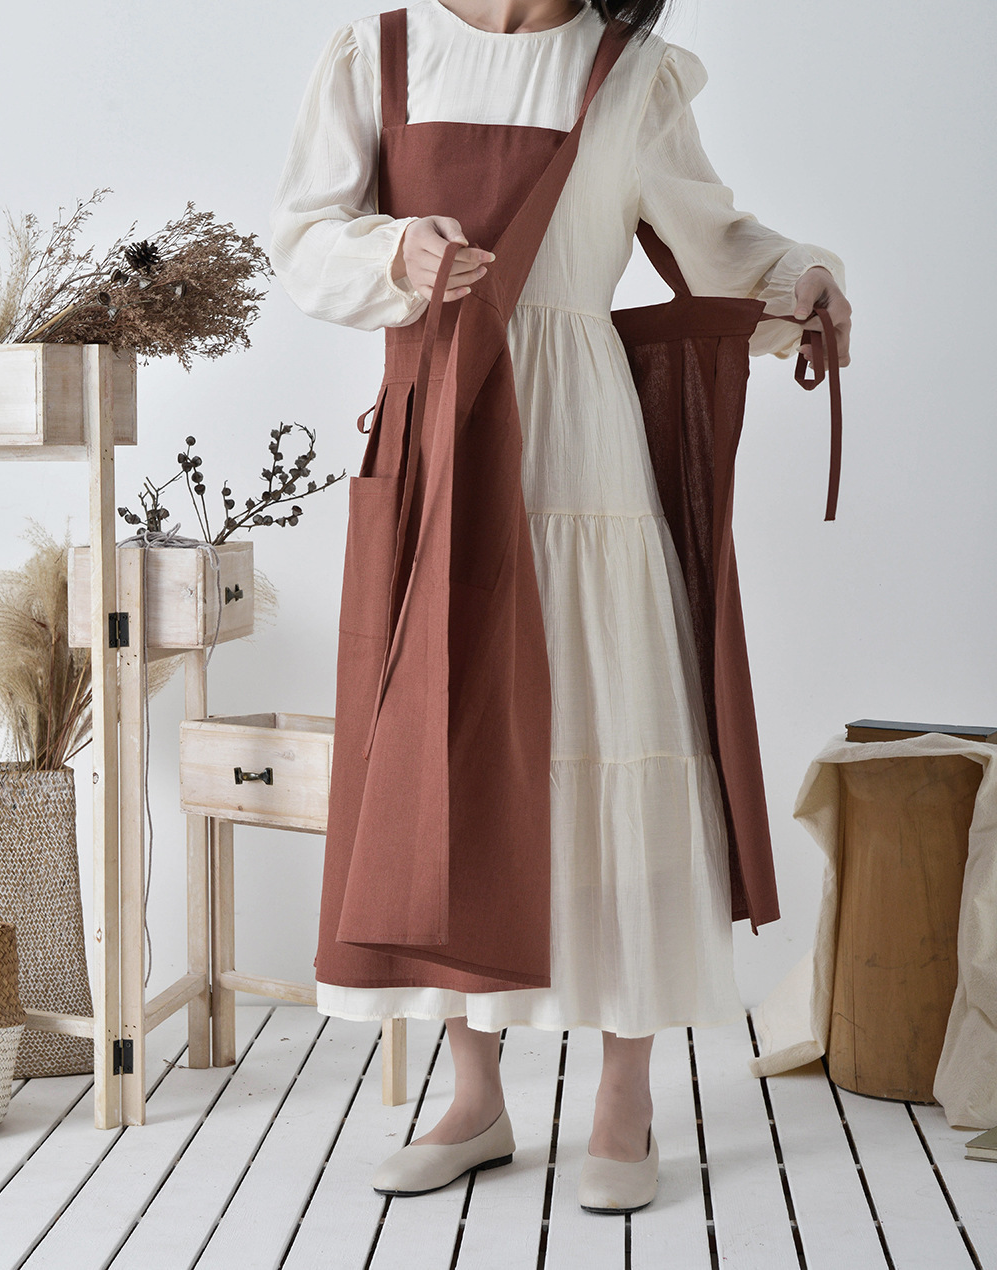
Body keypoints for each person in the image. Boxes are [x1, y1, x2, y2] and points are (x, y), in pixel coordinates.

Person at [268, 0, 851, 1213]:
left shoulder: (628, 70)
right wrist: (396, 253)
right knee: (450, 750)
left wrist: (804, 280)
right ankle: (474, 1099)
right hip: (439, 438)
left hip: (584, 447)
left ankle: (623, 1096)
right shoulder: (378, 54)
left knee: (616, 737)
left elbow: (717, 242)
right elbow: (304, 237)